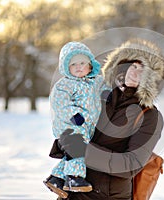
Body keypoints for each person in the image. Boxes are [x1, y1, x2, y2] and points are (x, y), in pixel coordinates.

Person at [58, 38, 164, 200]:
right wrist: (63, 142)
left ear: (151, 79)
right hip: (72, 190)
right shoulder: (97, 99)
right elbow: (73, 130)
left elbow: (130, 165)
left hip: (108, 196)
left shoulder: (149, 116)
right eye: (133, 66)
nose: (134, 72)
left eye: (142, 70)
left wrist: (83, 151)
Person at [44, 41, 107, 199]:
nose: (78, 67)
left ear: (91, 65)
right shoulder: (64, 85)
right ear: (66, 67)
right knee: (78, 150)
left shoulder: (97, 82)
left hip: (87, 127)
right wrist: (74, 115)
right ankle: (74, 178)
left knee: (74, 153)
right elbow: (60, 103)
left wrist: (107, 95)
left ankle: (57, 179)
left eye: (82, 63)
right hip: (71, 125)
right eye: (73, 64)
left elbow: (107, 90)